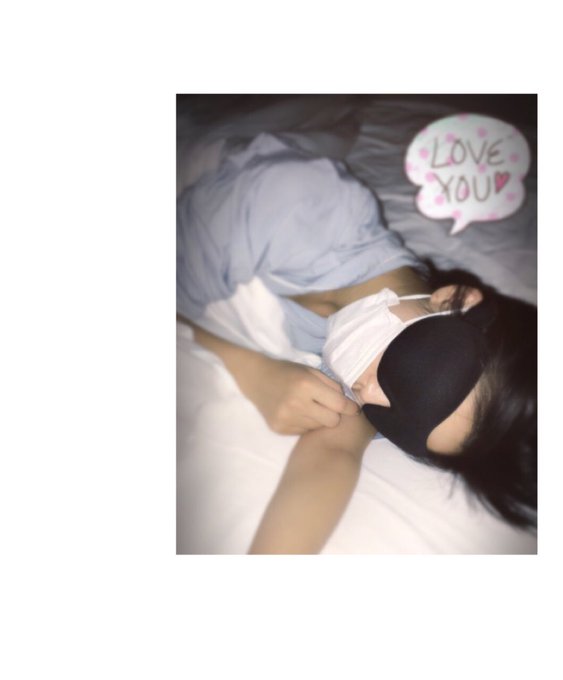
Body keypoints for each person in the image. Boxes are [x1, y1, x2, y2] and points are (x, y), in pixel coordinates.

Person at [177, 133, 536, 553]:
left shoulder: (367, 364)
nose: (367, 396)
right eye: (412, 383)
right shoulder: (298, 206)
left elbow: (334, 453)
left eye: (401, 426)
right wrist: (251, 369)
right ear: (452, 301)